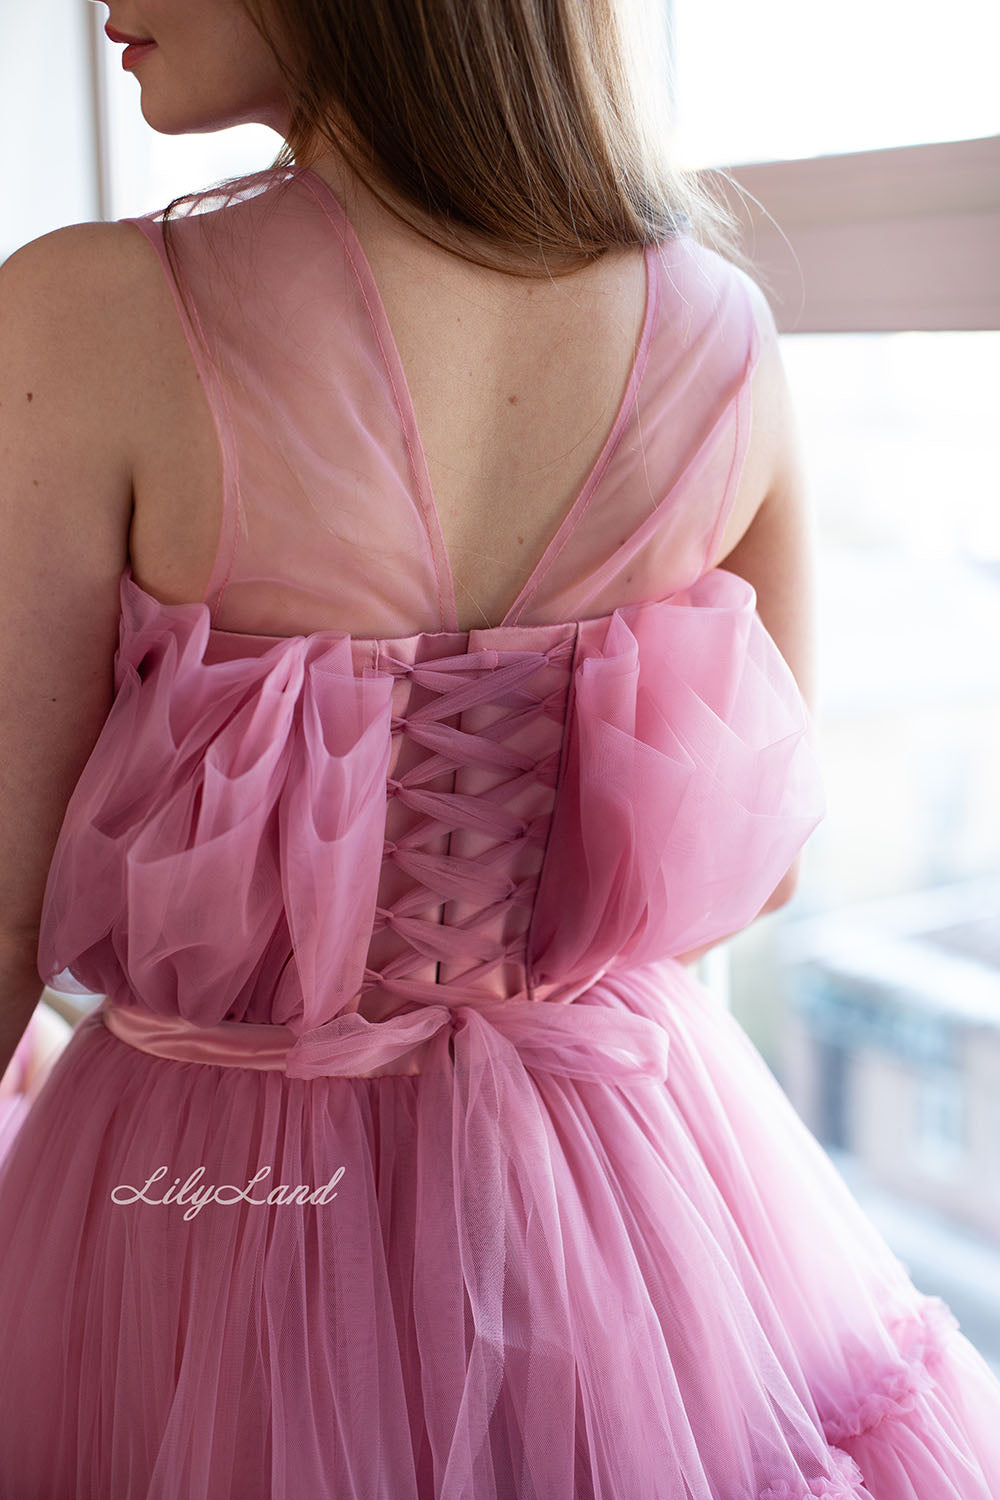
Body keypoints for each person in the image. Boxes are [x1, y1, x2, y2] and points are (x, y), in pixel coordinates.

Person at [1, 0, 998, 1495]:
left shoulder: (89, 314)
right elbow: (764, 873)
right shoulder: (722, 331)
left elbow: (8, 908)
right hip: (632, 1190)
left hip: (199, 1209)